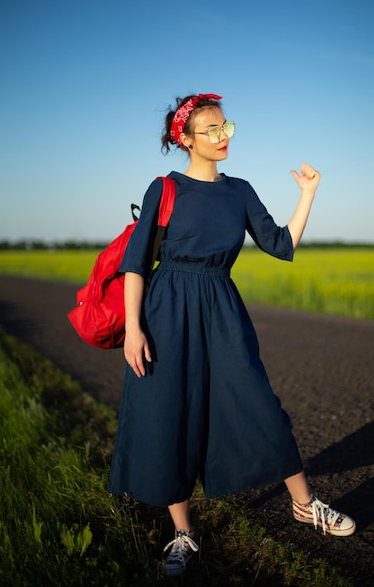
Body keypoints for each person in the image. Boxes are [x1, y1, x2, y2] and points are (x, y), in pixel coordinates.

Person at [108, 93, 355, 577]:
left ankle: (305, 505)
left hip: (222, 309)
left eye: (227, 128)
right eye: (212, 131)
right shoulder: (165, 187)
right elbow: (136, 263)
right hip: (165, 312)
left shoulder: (239, 190)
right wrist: (133, 328)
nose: (223, 138)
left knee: (259, 402)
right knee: (168, 414)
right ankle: (183, 533)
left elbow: (280, 243)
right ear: (185, 138)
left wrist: (308, 195)